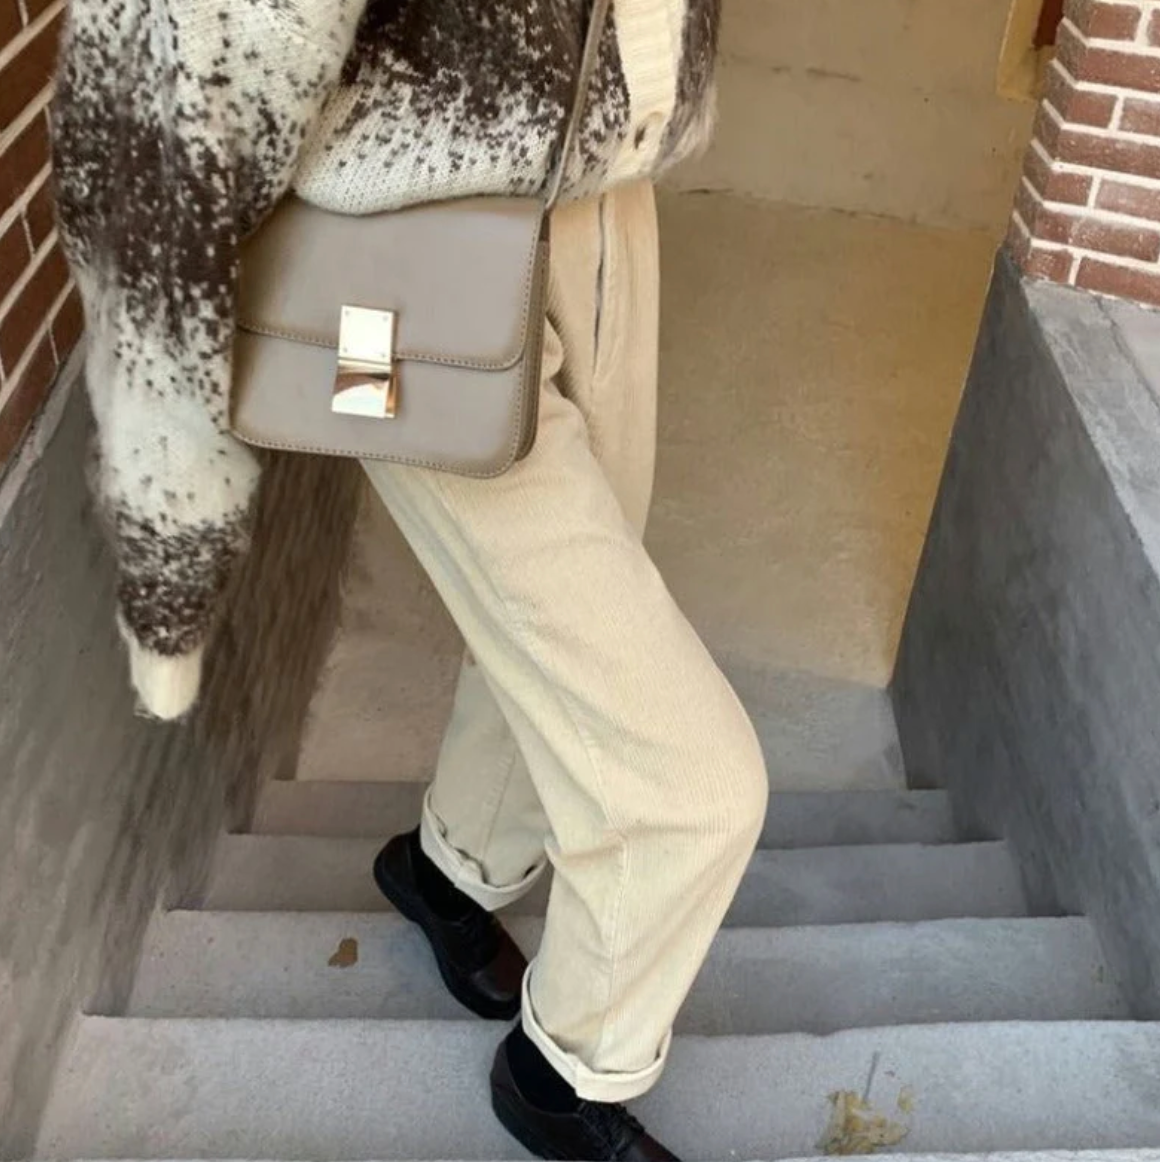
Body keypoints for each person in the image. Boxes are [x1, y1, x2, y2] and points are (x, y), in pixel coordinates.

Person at [54, 1, 768, 1158]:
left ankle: (452, 869)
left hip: (606, 200)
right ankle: (563, 1073)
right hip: (406, 250)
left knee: (555, 630)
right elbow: (177, 105)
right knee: (688, 782)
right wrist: (168, 531)